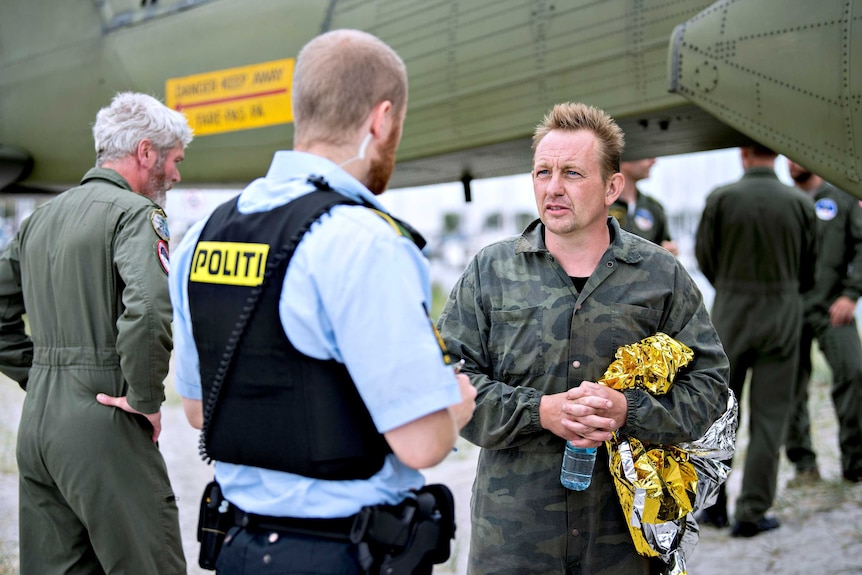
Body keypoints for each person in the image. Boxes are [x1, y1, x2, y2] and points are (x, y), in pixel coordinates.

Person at [168, 29, 476, 574]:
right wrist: (457, 404)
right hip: (342, 553)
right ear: (381, 120)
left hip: (238, 548)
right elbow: (422, 444)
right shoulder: (364, 239)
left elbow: (197, 410)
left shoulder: (202, 235)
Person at [436, 102, 729, 575]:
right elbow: (449, 383)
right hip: (514, 538)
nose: (553, 188)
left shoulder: (660, 276)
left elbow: (710, 389)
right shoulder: (490, 272)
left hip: (622, 539)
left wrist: (628, 412)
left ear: (612, 186)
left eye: (572, 173)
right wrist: (539, 412)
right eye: (542, 172)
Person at [0, 92, 192, 574]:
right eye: (174, 161)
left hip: (38, 427)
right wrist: (146, 398)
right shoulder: (135, 215)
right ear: (146, 152)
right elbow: (148, 309)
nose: (176, 175)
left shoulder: (38, 220)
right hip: (104, 419)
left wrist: (42, 377)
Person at [694, 145, 818, 537]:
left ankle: (713, 507)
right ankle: (752, 512)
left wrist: (731, 288)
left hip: (731, 314)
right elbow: (810, 265)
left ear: (744, 154)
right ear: (778, 156)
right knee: (770, 418)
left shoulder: (721, 198)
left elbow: (704, 256)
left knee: (720, 418)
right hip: (782, 315)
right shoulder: (799, 203)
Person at [784, 160, 862, 485]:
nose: (791, 163)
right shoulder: (783, 201)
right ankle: (804, 464)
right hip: (790, 311)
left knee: (854, 372)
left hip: (833, 306)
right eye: (784, 157)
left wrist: (852, 294)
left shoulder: (841, 198)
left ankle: (855, 463)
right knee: (790, 388)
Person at [609, 157, 679, 255]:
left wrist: (669, 252)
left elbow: (665, 246)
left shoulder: (653, 207)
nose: (653, 161)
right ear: (626, 158)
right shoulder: (600, 206)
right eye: (646, 156)